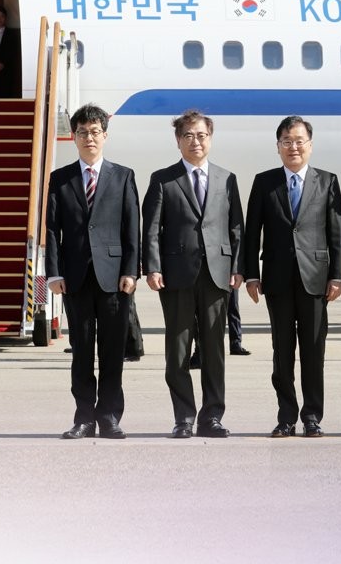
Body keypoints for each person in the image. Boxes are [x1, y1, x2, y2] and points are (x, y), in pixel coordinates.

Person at [142, 110, 244, 438]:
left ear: (210, 139)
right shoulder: (163, 179)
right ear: (178, 140)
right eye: (188, 135)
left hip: (217, 275)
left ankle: (211, 417)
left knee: (214, 350)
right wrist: (153, 267)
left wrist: (237, 268)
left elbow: (236, 228)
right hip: (176, 276)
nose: (195, 141)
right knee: (178, 350)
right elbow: (152, 229)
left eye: (201, 135)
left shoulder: (227, 179)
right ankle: (183, 418)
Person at [244, 115, 341, 438]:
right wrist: (251, 275)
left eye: (299, 141)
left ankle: (312, 416)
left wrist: (337, 275)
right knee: (282, 352)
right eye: (287, 141)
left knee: (314, 352)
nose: (294, 147)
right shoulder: (264, 182)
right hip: (277, 280)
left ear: (310, 145)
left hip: (316, 280)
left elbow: (336, 233)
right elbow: (252, 233)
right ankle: (286, 416)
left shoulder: (327, 181)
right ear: (278, 147)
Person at [45, 104, 139, 439]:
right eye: (83, 132)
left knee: (113, 352)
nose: (89, 138)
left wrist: (131, 270)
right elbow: (51, 230)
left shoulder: (123, 176)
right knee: (82, 351)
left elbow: (132, 228)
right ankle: (84, 418)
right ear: (74, 137)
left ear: (105, 136)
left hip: (114, 278)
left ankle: (109, 416)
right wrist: (53, 274)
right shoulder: (60, 179)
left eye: (95, 132)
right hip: (75, 278)